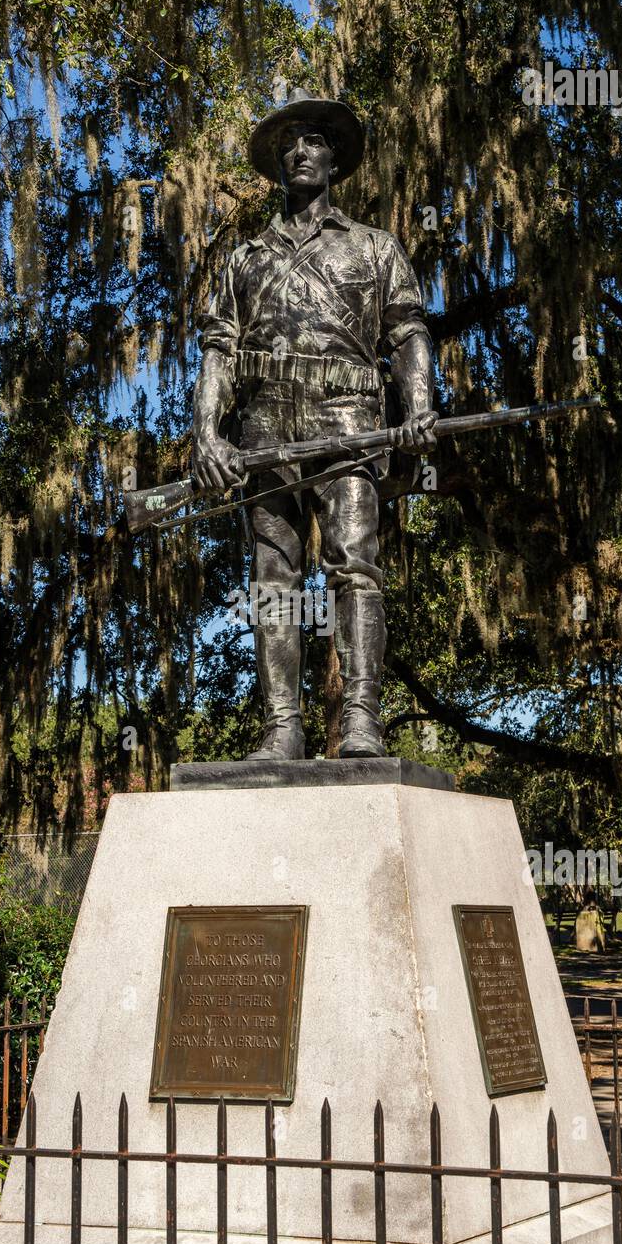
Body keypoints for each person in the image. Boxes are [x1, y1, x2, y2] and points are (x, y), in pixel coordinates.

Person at [192, 88, 437, 760]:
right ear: (276, 166)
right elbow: (218, 350)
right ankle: (281, 728)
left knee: (354, 569)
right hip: (264, 430)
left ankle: (360, 720)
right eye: (289, 144)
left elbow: (408, 332)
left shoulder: (374, 248)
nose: (301, 151)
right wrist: (207, 437)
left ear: (334, 161)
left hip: (350, 425)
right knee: (273, 581)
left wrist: (417, 408)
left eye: (315, 142)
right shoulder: (245, 259)